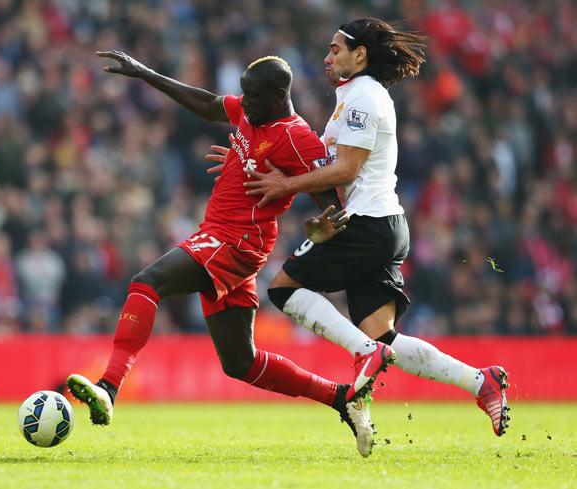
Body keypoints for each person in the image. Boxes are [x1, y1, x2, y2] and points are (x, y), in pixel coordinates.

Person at [67, 50, 395, 457]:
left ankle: (109, 388)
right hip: (223, 238)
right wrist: (145, 71)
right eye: (244, 96)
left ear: (279, 96)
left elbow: (332, 201)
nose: (246, 105)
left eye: (254, 98)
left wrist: (307, 211)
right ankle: (343, 397)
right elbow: (207, 104)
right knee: (241, 363)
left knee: (146, 283)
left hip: (237, 241)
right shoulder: (252, 112)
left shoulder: (296, 137)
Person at [207, 19, 510, 449]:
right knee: (383, 334)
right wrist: (252, 168)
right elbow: (334, 171)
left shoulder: (364, 97)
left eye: (335, 50)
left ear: (359, 55)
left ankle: (364, 354)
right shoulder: (351, 96)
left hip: (368, 223)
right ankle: (482, 381)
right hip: (379, 223)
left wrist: (283, 186)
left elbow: (347, 169)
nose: (327, 58)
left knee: (282, 290)